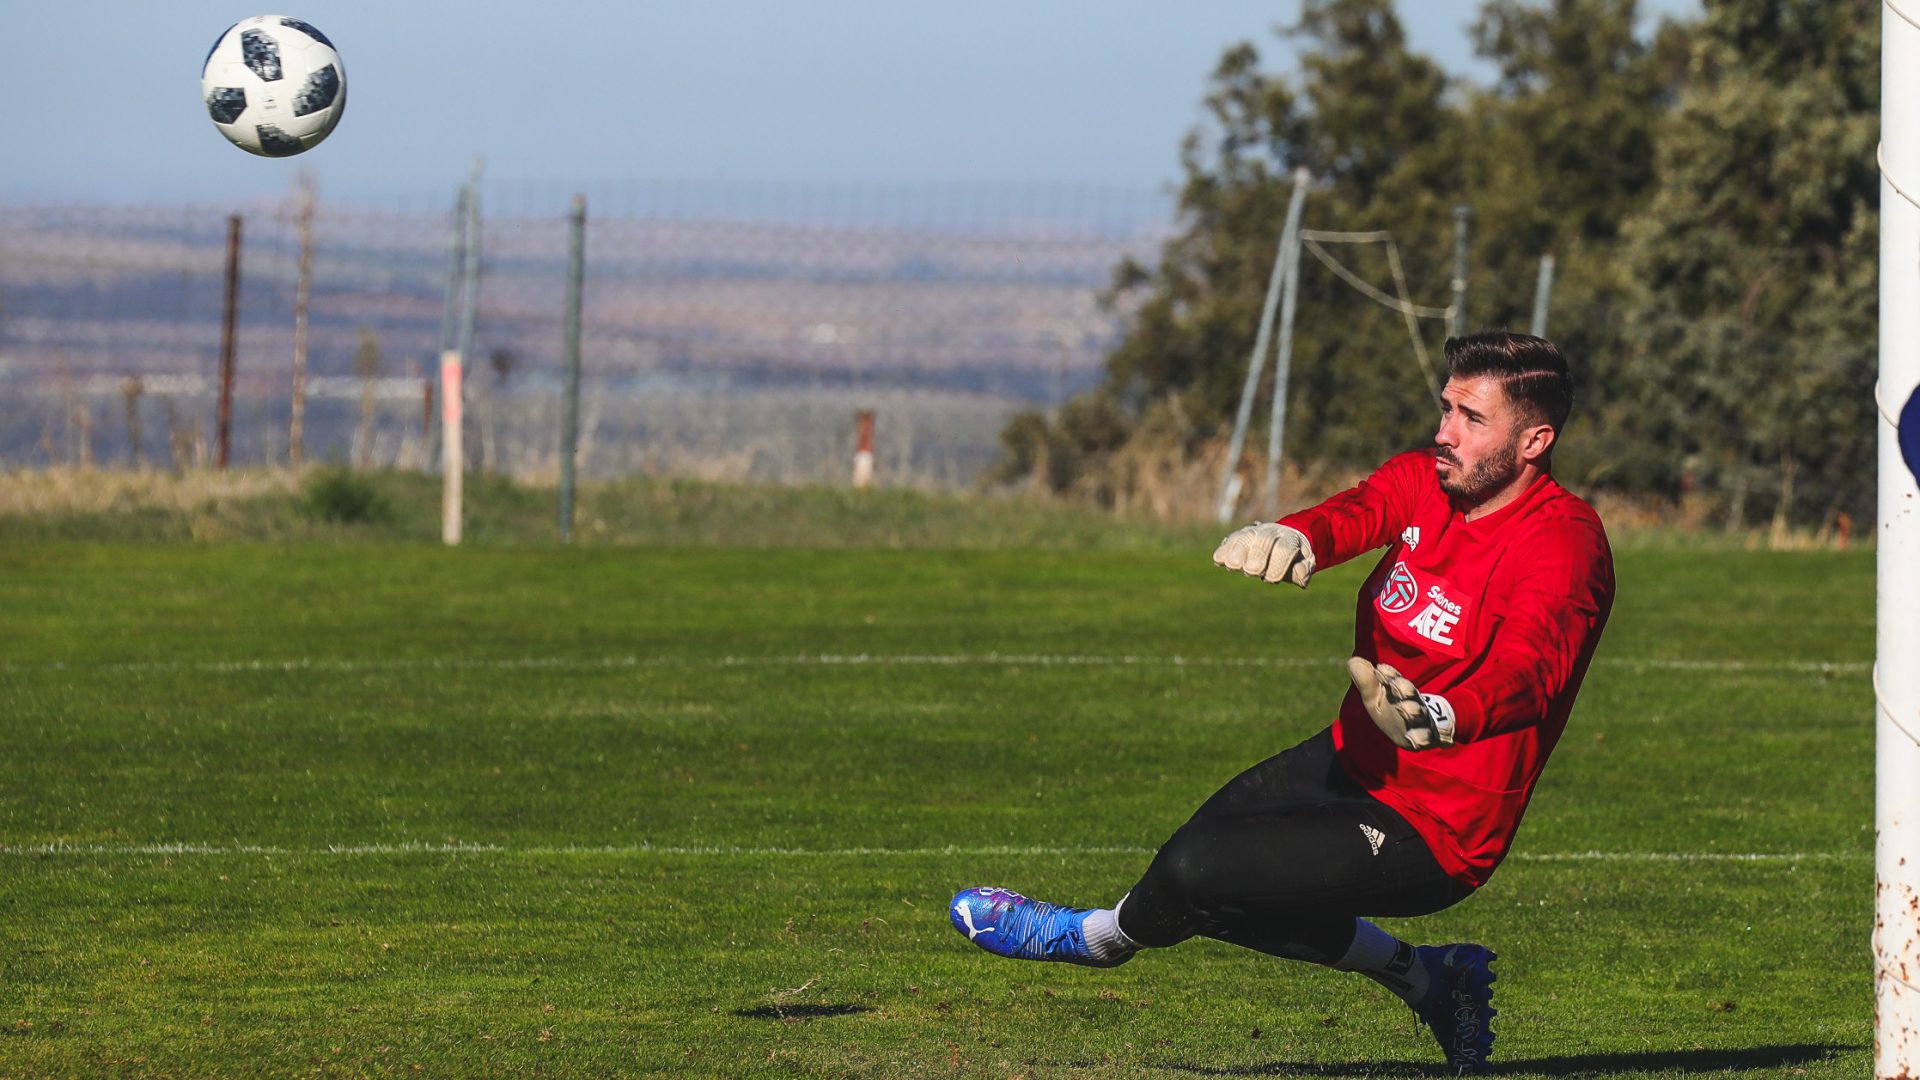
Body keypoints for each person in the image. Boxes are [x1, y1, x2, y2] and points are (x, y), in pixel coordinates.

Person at [948, 331, 1615, 1073]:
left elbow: (1532, 672)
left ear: (1534, 442)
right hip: (1349, 759)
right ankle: (1429, 976)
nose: (1444, 432)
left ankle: (1092, 940)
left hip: (1438, 828)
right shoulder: (1425, 482)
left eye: (1471, 418)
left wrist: (1441, 714)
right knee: (1193, 871)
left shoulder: (1564, 542)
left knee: (1198, 873)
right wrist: (1295, 535)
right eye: (1445, 408)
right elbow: (1359, 509)